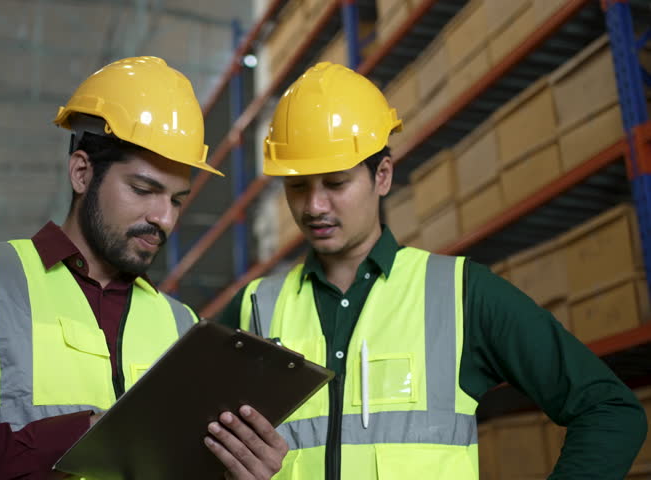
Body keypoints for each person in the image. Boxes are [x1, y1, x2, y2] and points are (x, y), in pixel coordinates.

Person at [217, 61, 647, 479]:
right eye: (297, 186)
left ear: (381, 175)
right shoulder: (255, 308)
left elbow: (609, 411)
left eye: (335, 183)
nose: (314, 206)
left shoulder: (459, 294)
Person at [0, 56, 288, 479]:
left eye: (177, 200)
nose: (164, 218)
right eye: (144, 189)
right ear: (81, 173)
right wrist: (76, 438)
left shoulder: (183, 326)